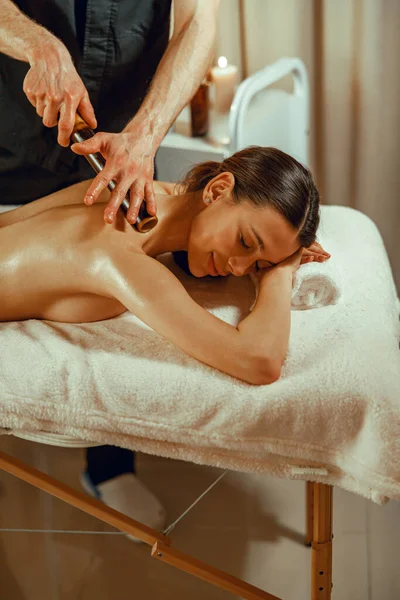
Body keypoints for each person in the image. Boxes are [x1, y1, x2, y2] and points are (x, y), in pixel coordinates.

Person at [0, 0, 220, 534]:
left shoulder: (128, 248)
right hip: (10, 124)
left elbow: (199, 22)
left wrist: (145, 134)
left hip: (124, 142)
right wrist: (37, 43)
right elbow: (256, 360)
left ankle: (110, 465)